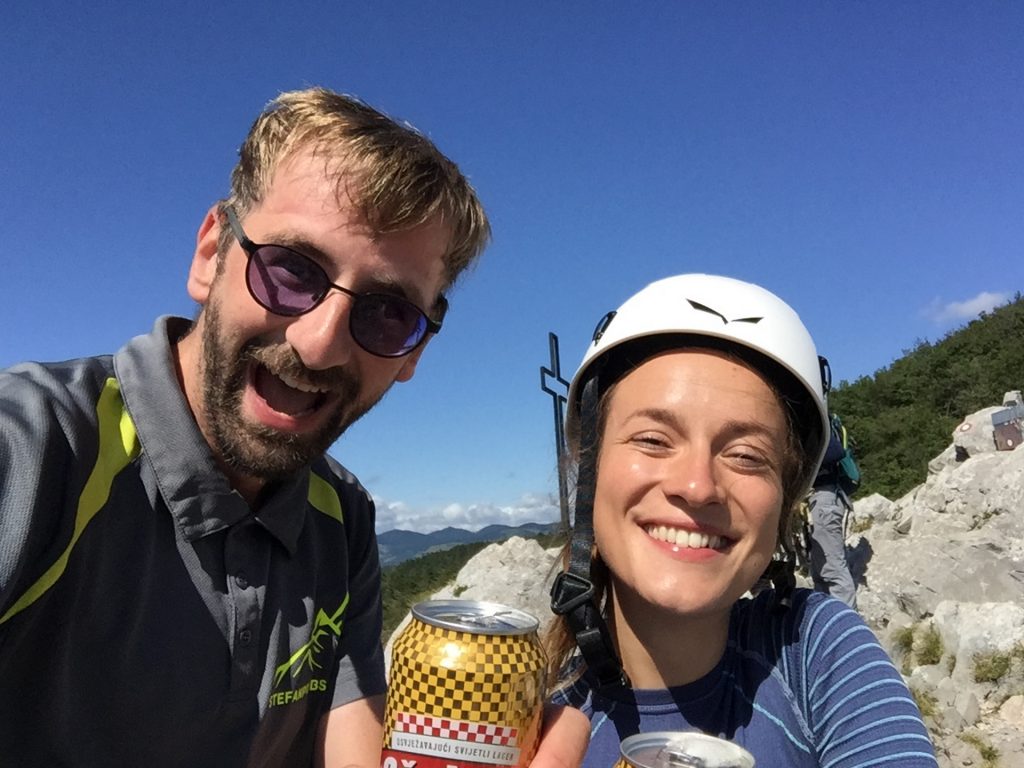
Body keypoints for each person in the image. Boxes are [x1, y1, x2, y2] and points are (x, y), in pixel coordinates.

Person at [0, 87, 587, 768]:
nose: (319, 344)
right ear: (211, 253)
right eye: (290, 271)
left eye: (388, 313)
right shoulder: (37, 449)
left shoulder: (341, 520)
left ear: (415, 352)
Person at [546, 274, 937, 766]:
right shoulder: (530, 719)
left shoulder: (813, 653)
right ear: (590, 471)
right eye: (652, 439)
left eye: (747, 456)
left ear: (783, 498)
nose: (697, 486)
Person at [808, 417, 858, 609]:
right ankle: (824, 619)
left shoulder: (817, 423)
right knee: (820, 570)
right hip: (823, 500)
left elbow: (836, 452)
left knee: (834, 569)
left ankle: (846, 626)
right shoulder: (817, 423)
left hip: (825, 499)